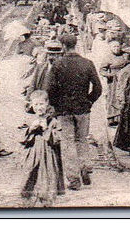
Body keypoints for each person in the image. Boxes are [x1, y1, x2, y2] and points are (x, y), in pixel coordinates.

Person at [45, 32, 102, 188]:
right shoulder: (87, 63)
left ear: (63, 46)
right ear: (75, 44)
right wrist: (89, 101)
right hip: (83, 109)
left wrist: (56, 105)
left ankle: (74, 178)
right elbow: (98, 88)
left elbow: (49, 89)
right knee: (82, 140)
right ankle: (85, 167)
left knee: (68, 143)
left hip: (64, 111)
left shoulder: (57, 65)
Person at [20, 90, 65, 206]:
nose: (39, 107)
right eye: (36, 104)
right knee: (30, 173)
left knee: (47, 175)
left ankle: (46, 201)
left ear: (47, 104)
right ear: (31, 105)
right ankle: (29, 198)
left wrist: (47, 130)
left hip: (48, 154)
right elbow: (21, 140)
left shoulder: (53, 121)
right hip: (33, 153)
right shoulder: (29, 120)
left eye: (41, 104)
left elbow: (58, 138)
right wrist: (30, 129)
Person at [100, 39, 127, 126]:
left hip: (123, 80)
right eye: (114, 46)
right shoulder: (107, 57)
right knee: (112, 98)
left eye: (117, 46)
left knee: (123, 97)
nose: (116, 48)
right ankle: (112, 118)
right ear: (110, 48)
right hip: (113, 82)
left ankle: (121, 117)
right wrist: (109, 75)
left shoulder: (124, 55)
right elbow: (102, 70)